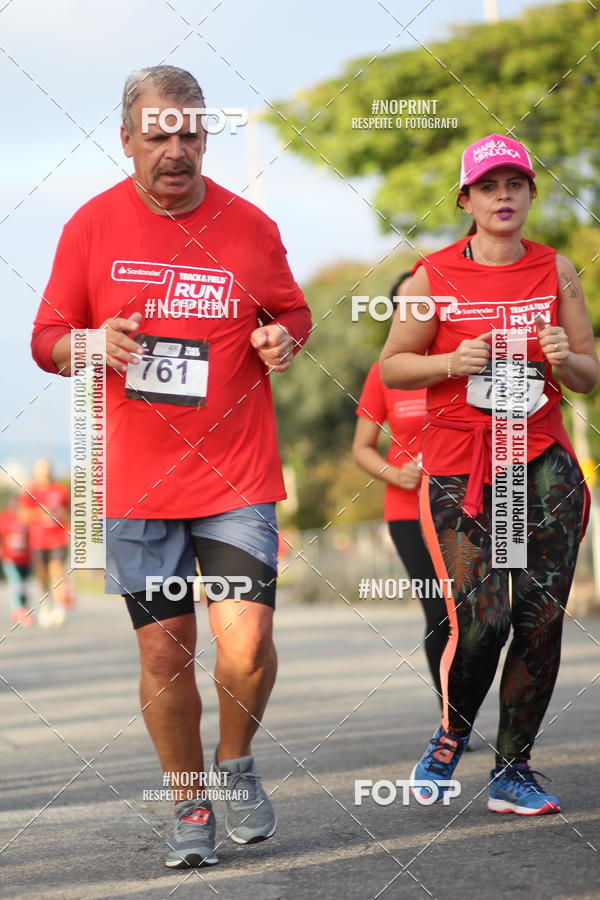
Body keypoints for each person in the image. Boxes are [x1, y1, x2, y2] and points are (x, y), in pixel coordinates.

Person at [31, 65, 311, 868]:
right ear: (127, 140)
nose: (176, 150)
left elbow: (290, 310)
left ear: (204, 136)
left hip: (235, 473)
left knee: (247, 642)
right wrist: (92, 343)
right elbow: (46, 338)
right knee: (164, 653)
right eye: (158, 135)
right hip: (136, 483)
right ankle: (190, 806)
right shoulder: (88, 229)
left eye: (190, 133)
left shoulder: (250, 227)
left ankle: (236, 765)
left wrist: (282, 337)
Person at [380, 134, 598, 815]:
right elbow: (392, 366)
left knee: (540, 618)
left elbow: (588, 378)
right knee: (483, 619)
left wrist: (565, 360)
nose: (504, 195)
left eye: (516, 184)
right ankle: (451, 735)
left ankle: (514, 769)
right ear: (466, 200)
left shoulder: (557, 270)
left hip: (541, 462)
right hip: (461, 465)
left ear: (531, 194)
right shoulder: (430, 277)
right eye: (489, 186)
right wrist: (450, 363)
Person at [353, 272, 449, 705]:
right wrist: (396, 474)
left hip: (467, 506)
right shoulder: (382, 373)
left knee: (481, 616)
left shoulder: (462, 359)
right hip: (408, 512)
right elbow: (363, 449)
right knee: (441, 615)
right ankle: (453, 721)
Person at [20, 459, 70, 628]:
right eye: (41, 470)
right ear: (36, 473)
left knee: (57, 572)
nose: (45, 473)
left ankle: (60, 608)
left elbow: (68, 511)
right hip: (38, 540)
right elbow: (23, 516)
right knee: (42, 575)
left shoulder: (60, 490)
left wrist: (70, 529)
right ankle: (46, 605)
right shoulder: (30, 491)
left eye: (47, 469)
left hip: (58, 538)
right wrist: (40, 512)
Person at [0, 494, 32, 626]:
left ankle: (20, 609)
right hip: (9, 558)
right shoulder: (3, 518)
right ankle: (18, 610)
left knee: (23, 586)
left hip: (25, 559)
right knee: (16, 583)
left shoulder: (25, 518)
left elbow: (32, 536)